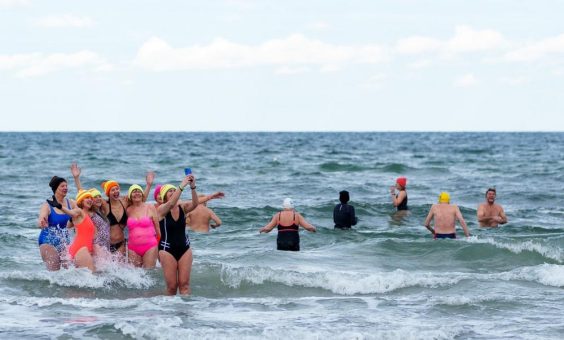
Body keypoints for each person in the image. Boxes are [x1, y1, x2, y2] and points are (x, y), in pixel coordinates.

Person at [72, 163, 155, 258]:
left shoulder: (124, 202)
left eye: (117, 189)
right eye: (112, 190)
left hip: (121, 244)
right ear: (108, 193)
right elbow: (85, 196)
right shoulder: (105, 204)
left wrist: (148, 185)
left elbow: (140, 199)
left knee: (119, 271)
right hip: (106, 246)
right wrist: (76, 178)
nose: (116, 191)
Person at [157, 175, 199, 295]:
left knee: (184, 285)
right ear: (164, 196)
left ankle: (185, 311)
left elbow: (195, 204)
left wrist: (192, 187)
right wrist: (181, 185)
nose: (172, 192)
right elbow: (171, 204)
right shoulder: (161, 209)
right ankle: (169, 312)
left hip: (185, 248)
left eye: (173, 190)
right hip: (166, 250)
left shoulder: (183, 208)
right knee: (172, 287)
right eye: (169, 191)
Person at [47, 190, 96, 271]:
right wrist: (60, 206)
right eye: (87, 197)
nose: (90, 199)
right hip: (80, 248)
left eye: (91, 198)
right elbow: (71, 213)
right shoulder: (79, 211)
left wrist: (71, 219)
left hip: (84, 249)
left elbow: (68, 226)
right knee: (92, 277)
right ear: (81, 201)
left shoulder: (84, 215)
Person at [38, 176, 75, 271]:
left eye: (66, 186)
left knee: (70, 271)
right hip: (48, 241)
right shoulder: (47, 205)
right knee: (54, 273)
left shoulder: (71, 203)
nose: (65, 188)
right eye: (62, 186)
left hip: (64, 243)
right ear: (55, 189)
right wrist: (42, 222)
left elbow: (81, 212)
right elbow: (41, 218)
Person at [126, 184, 160, 268]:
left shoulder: (150, 207)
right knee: (135, 276)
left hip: (150, 246)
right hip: (132, 248)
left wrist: (160, 247)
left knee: (149, 273)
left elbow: (157, 228)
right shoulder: (127, 210)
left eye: (139, 191)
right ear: (130, 196)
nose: (137, 193)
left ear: (142, 194)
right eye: (134, 192)